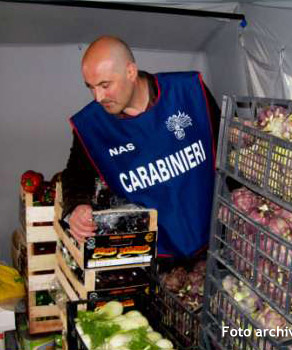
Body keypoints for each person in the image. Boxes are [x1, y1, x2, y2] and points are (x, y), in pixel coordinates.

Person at [62, 35, 221, 257]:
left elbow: (226, 147)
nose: (98, 97)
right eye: (91, 87)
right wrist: (77, 206)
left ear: (130, 72)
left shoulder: (189, 92)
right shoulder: (92, 126)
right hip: (152, 253)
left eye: (105, 85)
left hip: (216, 238)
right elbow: (76, 174)